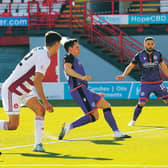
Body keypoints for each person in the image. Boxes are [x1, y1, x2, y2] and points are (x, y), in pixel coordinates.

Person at [1, 31, 62, 152]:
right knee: (13, 125)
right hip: (12, 90)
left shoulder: (39, 50)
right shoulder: (45, 57)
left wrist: (43, 104)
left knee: (40, 110)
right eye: (59, 45)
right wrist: (45, 101)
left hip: (24, 90)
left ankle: (38, 145)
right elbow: (37, 81)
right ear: (56, 44)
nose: (59, 47)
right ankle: (38, 145)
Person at [58, 39, 131, 140]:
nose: (79, 49)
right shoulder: (69, 57)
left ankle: (116, 132)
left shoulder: (75, 59)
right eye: (76, 47)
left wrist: (92, 93)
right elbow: (67, 69)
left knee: (106, 105)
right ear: (70, 49)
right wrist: (82, 77)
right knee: (93, 116)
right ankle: (69, 126)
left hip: (83, 90)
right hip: (78, 89)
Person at [116, 36, 168, 126]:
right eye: (148, 44)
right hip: (145, 83)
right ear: (144, 45)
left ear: (154, 44)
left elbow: (163, 66)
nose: (150, 46)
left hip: (158, 83)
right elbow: (130, 66)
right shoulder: (139, 55)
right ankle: (133, 121)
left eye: (152, 44)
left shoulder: (158, 54)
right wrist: (123, 75)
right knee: (141, 103)